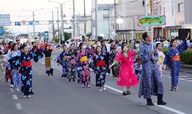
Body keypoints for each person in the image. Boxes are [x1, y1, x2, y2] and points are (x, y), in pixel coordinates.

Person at [138, 32, 166, 106]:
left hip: (154, 65)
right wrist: (150, 54)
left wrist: (155, 58)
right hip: (146, 66)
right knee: (148, 83)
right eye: (149, 36)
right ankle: (148, 99)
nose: (151, 36)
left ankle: (160, 98)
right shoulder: (142, 46)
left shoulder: (152, 45)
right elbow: (142, 58)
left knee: (159, 81)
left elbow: (156, 54)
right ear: (146, 38)